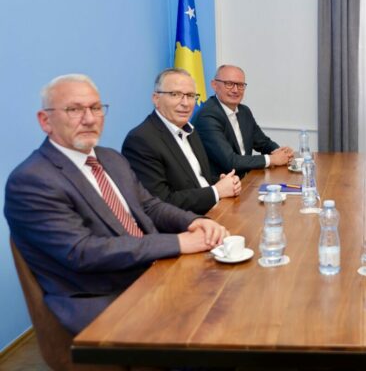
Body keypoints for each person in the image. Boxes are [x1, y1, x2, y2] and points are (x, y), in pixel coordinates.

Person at [4, 74, 228, 335]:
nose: (89, 119)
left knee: (226, 295)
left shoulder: (111, 159)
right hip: (102, 298)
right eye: (74, 109)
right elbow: (83, 252)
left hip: (149, 273)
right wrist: (178, 242)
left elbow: (150, 206)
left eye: (96, 108)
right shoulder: (31, 180)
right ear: (45, 120)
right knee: (209, 325)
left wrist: (193, 221)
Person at [122, 68, 242, 215]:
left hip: (214, 210)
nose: (186, 103)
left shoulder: (190, 130)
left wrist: (222, 181)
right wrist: (216, 191)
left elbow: (196, 177)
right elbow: (159, 203)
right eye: (175, 94)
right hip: (184, 223)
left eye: (190, 96)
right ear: (156, 98)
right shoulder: (141, 140)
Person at [193, 65, 294, 178]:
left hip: (245, 179)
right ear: (214, 85)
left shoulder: (244, 111)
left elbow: (263, 143)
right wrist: (272, 159)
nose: (235, 90)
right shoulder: (207, 116)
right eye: (229, 84)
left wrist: (280, 152)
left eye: (240, 85)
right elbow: (230, 161)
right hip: (221, 183)